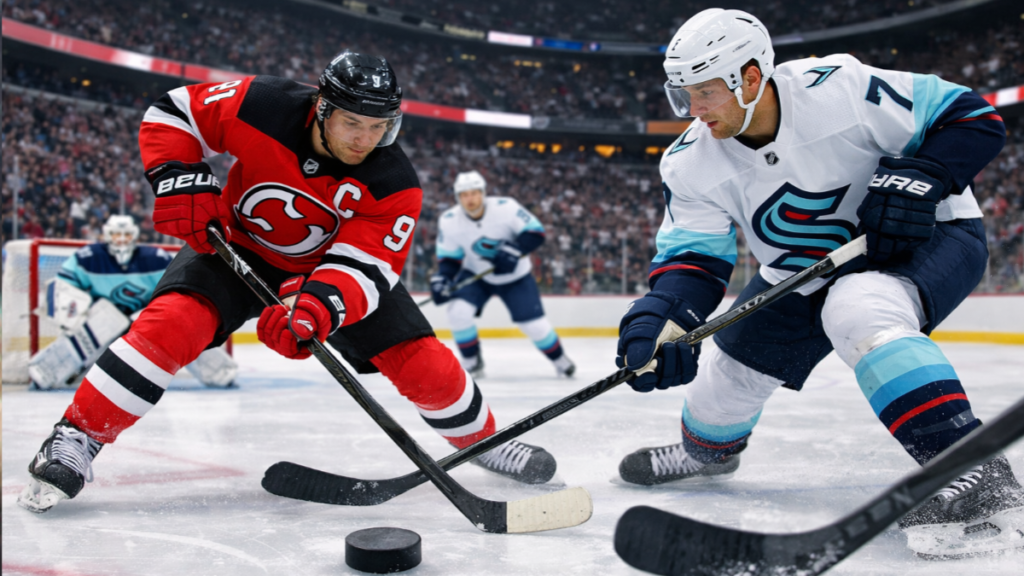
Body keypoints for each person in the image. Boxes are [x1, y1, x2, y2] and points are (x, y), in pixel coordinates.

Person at [18, 52, 557, 514]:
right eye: (353, 124)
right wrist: (179, 178)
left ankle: (484, 440)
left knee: (420, 358)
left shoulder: (393, 182)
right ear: (322, 107)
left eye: (379, 127)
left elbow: (365, 267)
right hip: (235, 245)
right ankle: (77, 437)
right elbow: (174, 111)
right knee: (170, 323)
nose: (365, 140)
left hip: (329, 273)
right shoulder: (262, 103)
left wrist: (316, 307)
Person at [615, 8, 1021, 557]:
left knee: (858, 307)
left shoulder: (841, 87)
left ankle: (975, 473)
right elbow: (694, 259)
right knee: (722, 384)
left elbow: (971, 116)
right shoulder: (688, 163)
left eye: (707, 91)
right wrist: (663, 313)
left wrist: (923, 175)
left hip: (923, 238)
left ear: (751, 78)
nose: (695, 109)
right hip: (797, 274)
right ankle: (708, 453)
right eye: (684, 93)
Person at [27, 214, 237, 390]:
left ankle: (218, 371)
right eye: (117, 234)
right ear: (107, 235)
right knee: (108, 317)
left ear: (135, 235)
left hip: (147, 330)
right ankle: (46, 370)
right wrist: (70, 310)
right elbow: (61, 285)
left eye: (126, 234)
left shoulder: (155, 258)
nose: (122, 240)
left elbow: (181, 286)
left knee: (172, 323)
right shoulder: (88, 257)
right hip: (99, 336)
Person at [431, 170, 575, 378]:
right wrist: (442, 279)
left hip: (516, 277)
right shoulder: (449, 220)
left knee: (534, 326)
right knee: (457, 312)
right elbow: (449, 259)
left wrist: (515, 250)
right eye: (464, 195)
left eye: (474, 193)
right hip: (477, 275)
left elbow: (536, 232)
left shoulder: (506, 207)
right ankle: (472, 362)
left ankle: (560, 360)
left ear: (483, 193)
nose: (469, 199)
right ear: (457, 197)